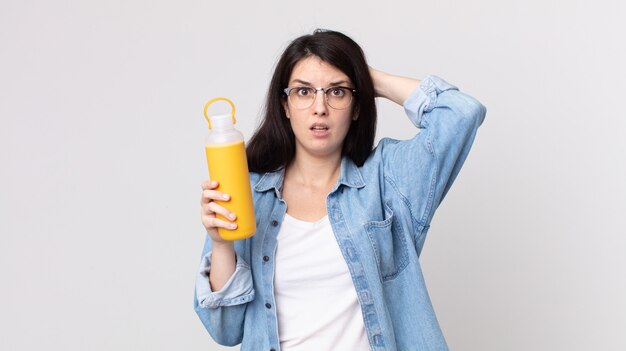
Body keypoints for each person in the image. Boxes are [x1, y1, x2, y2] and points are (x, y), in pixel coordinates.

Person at [195, 29, 486, 351]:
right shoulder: (248, 193)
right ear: (285, 105)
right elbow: (226, 329)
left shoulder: (387, 179)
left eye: (336, 92)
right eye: (304, 92)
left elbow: (462, 113)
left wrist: (363, 75)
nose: (319, 107)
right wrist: (222, 246)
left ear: (357, 106)